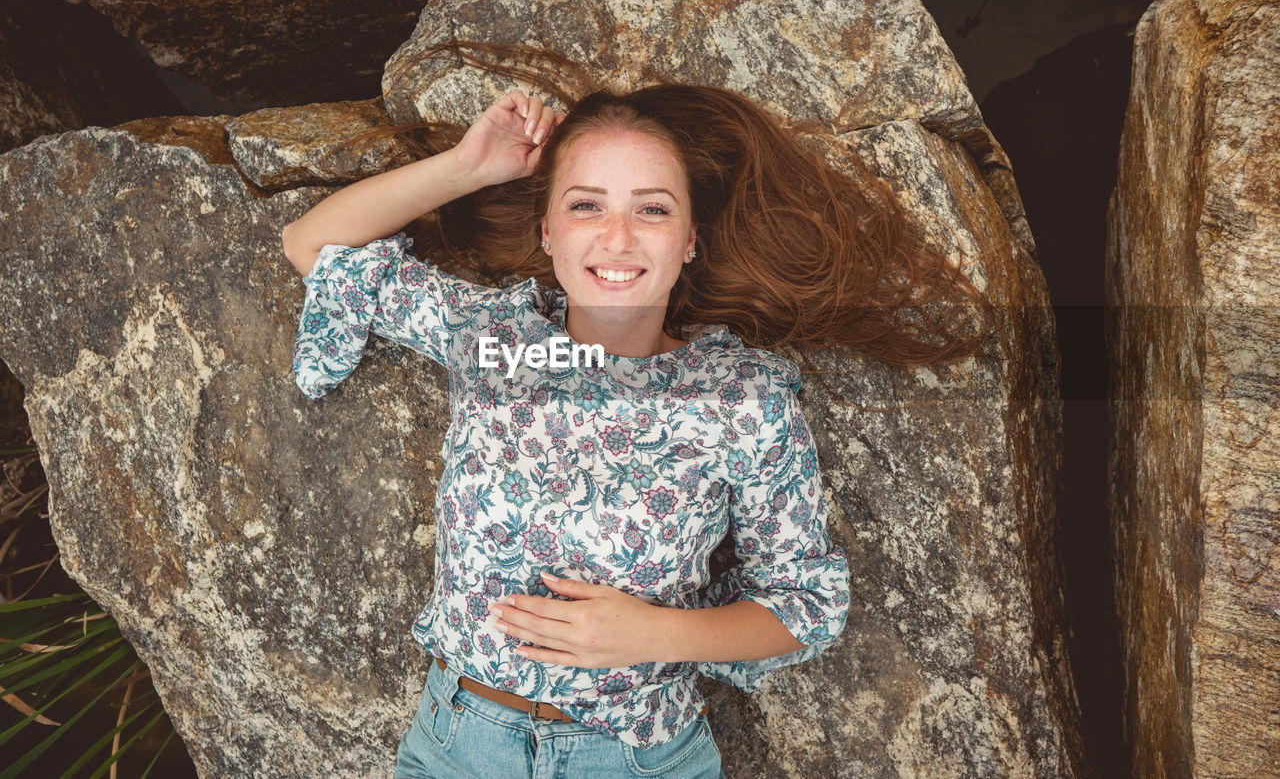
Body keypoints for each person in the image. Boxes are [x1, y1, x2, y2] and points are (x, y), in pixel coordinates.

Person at [282, 42, 992, 778]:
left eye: (650, 210)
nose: (617, 238)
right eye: (586, 205)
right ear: (548, 232)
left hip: (637, 758)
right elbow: (311, 242)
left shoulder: (741, 396)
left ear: (688, 241)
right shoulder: (493, 339)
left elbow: (805, 604)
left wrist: (651, 632)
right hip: (457, 745)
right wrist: (469, 167)